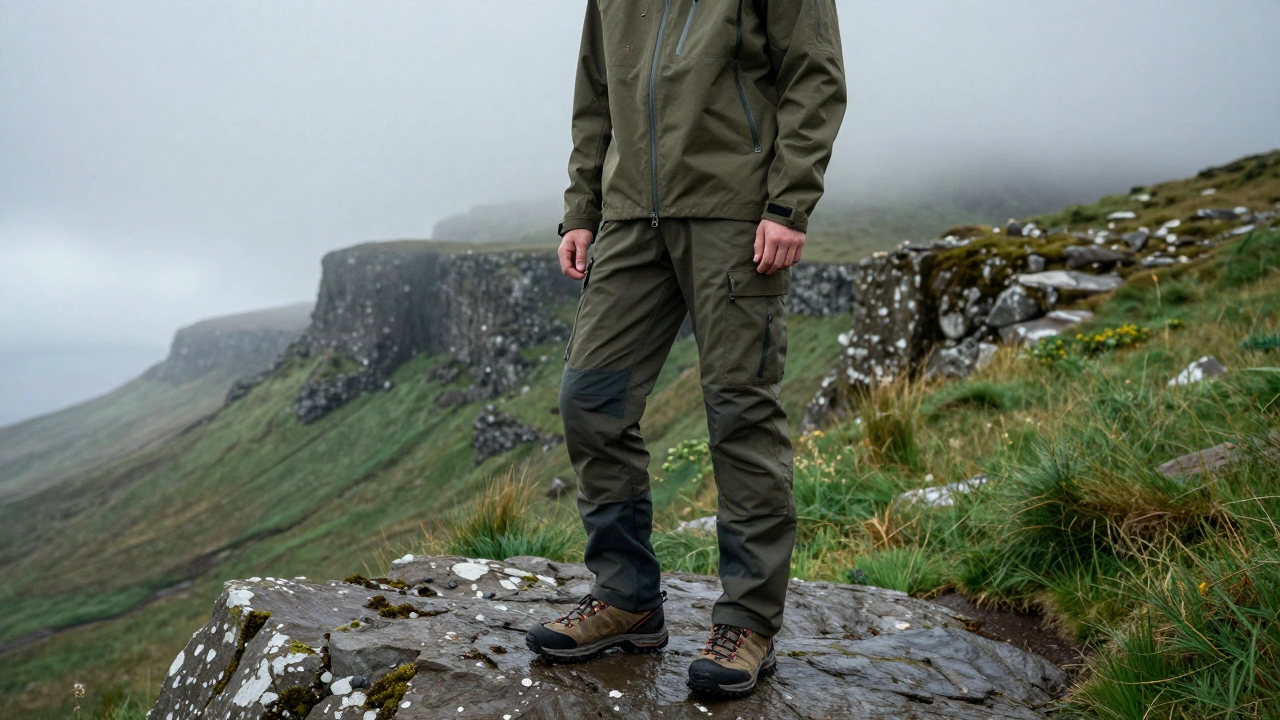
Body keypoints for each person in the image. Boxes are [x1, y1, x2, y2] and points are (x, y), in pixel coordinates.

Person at [526, 0, 846, 698]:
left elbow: (814, 76)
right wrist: (583, 208)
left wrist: (788, 204)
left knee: (739, 412)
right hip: (629, 218)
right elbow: (595, 92)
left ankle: (748, 621)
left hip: (735, 216)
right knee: (591, 400)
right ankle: (627, 597)